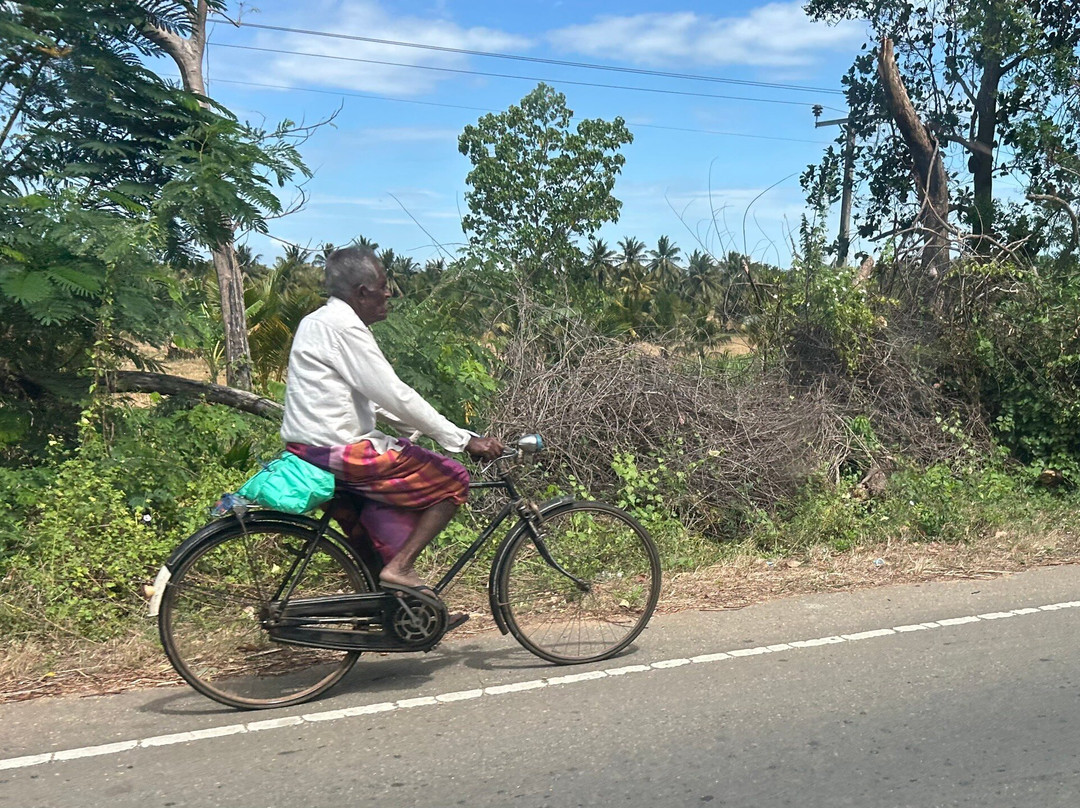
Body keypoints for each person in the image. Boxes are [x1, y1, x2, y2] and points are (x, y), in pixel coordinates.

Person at [280, 246, 503, 612]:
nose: (389, 294)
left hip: (310, 448)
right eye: (382, 287)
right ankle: (402, 569)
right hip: (341, 450)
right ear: (361, 292)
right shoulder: (345, 328)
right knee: (453, 478)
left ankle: (389, 609)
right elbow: (395, 393)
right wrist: (462, 440)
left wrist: (418, 430)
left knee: (370, 531)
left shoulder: (317, 321)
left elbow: (370, 398)